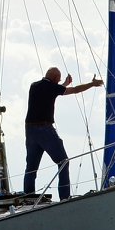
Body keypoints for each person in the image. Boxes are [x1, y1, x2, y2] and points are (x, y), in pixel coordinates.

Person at [23, 67, 103, 199]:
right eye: (58, 80)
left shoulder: (34, 86)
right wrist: (92, 84)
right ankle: (64, 198)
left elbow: (53, 90)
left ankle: (28, 197)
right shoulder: (52, 88)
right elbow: (75, 90)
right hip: (45, 129)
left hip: (30, 130)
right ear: (55, 78)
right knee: (63, 162)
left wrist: (64, 84)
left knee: (31, 167)